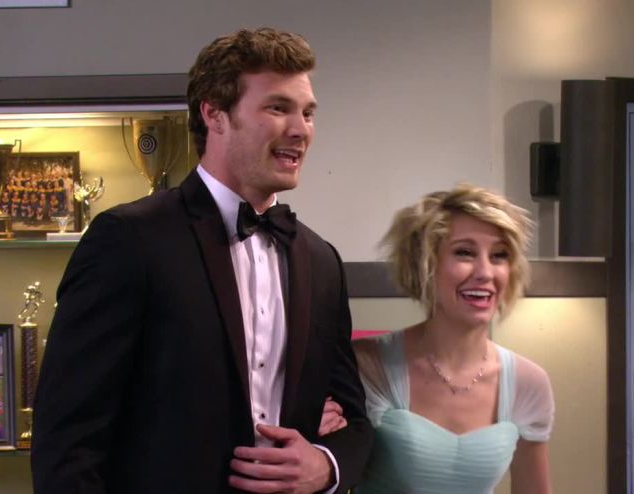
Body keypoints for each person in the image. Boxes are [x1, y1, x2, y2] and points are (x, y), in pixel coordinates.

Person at [31, 27, 373, 494]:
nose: (300, 130)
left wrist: (326, 465)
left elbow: (355, 422)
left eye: (308, 113)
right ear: (214, 114)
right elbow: (68, 440)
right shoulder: (129, 239)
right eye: (278, 108)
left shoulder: (321, 261)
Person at [344, 184, 554, 493]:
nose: (485, 272)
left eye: (499, 255)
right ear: (424, 264)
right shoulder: (366, 364)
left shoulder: (529, 382)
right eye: (464, 252)